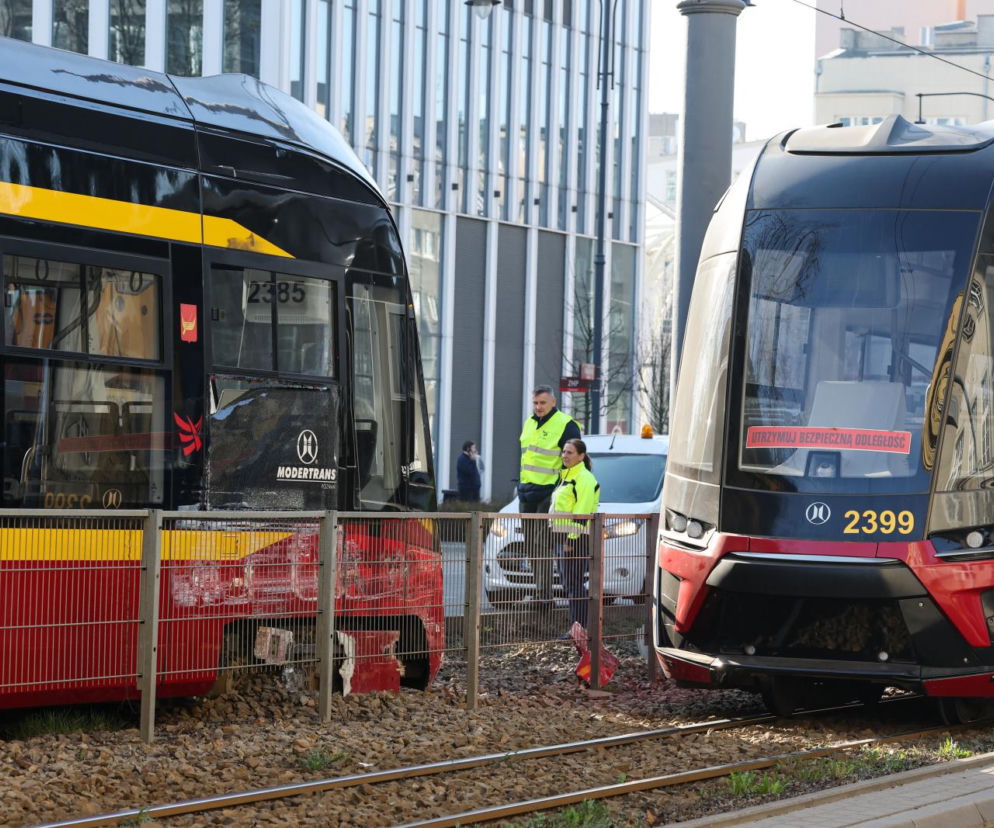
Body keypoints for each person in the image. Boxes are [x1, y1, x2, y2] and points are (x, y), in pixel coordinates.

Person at [518, 385, 581, 606]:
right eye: (535, 403)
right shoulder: (529, 423)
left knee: (541, 544)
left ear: (553, 402)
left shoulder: (566, 425)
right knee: (530, 545)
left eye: (543, 403)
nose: (538, 407)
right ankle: (541, 593)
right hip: (527, 493)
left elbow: (575, 462)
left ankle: (545, 596)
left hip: (549, 493)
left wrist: (562, 490)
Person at [550, 438, 600, 633]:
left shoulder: (584, 478)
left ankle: (580, 628)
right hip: (563, 538)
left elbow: (582, 511)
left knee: (574, 584)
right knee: (569, 584)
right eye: (563, 451)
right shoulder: (567, 477)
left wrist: (571, 540)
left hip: (575, 540)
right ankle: (578, 628)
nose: (564, 455)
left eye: (569, 452)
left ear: (581, 456)